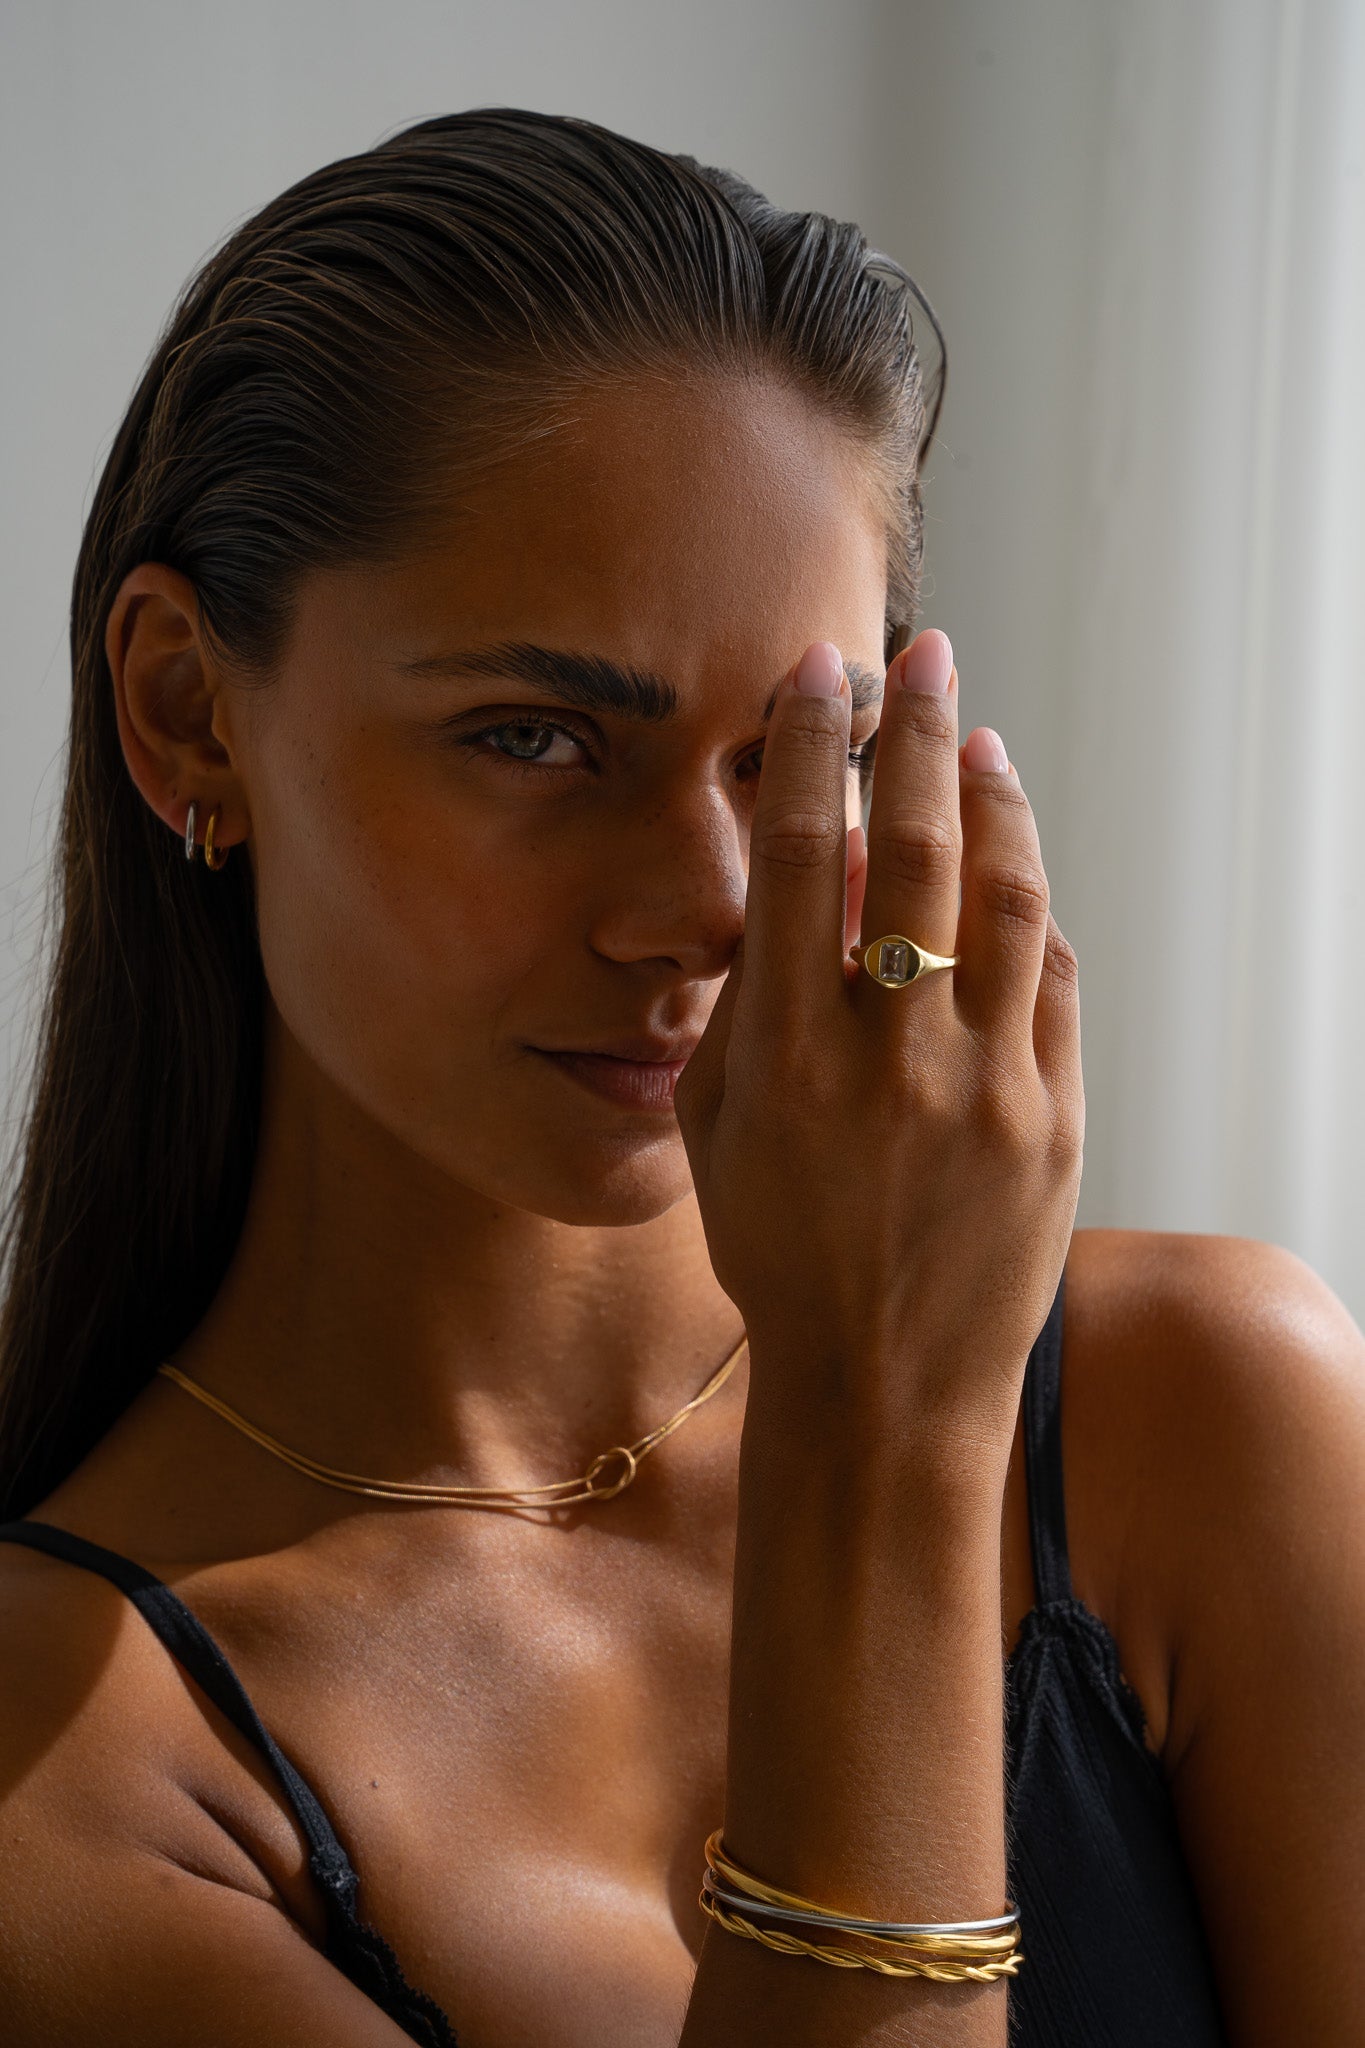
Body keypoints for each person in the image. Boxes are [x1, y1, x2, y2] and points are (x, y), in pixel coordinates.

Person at [0, 106, 1360, 2048]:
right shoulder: (61, 1769)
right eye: (536, 738)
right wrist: (879, 1428)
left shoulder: (1204, 1422)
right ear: (184, 706)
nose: (705, 910)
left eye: (791, 760)